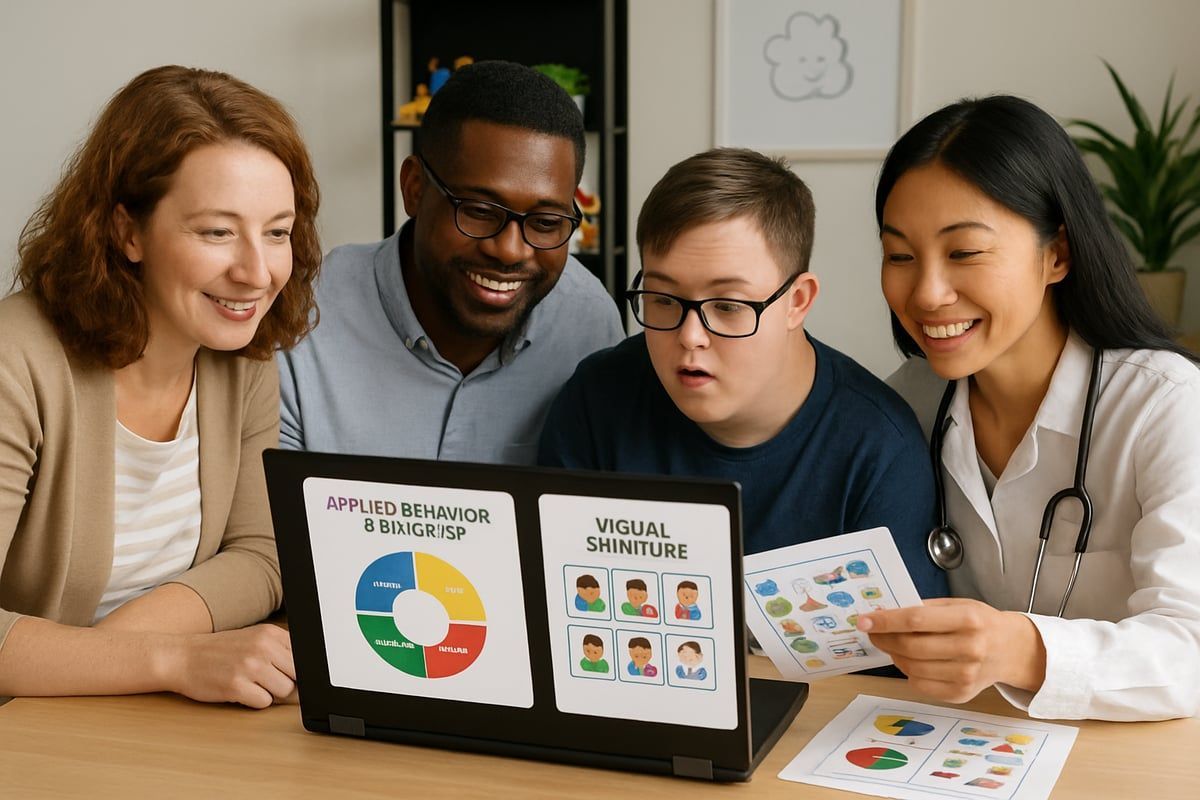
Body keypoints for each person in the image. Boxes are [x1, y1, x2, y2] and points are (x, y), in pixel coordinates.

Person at [859, 95, 1200, 721]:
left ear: (1058, 254)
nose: (928, 292)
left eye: (964, 253)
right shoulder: (906, 404)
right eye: (900, 255)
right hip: (960, 749)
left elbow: (1192, 650)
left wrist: (1025, 650)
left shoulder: (1167, 405)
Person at [0, 65, 322, 708]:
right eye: (217, 231)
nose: (256, 273)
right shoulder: (15, 361)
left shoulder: (241, 356)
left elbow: (262, 554)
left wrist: (115, 653)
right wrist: (174, 658)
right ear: (127, 231)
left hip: (129, 719)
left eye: (278, 232)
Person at [537, 148, 947, 599]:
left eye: (728, 306)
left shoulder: (880, 448)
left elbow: (897, 663)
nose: (690, 335)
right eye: (663, 299)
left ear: (797, 302)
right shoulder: (597, 400)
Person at [278, 61, 623, 464]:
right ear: (414, 189)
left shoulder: (588, 322)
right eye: (478, 210)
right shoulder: (303, 316)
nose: (510, 251)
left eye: (545, 222)